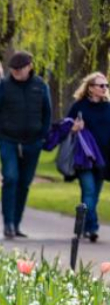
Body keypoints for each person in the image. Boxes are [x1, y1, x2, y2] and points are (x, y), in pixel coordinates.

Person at [0, 51, 52, 238]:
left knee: (24, 183)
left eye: (19, 69)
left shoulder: (40, 86)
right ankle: (8, 223)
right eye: (12, 69)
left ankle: (17, 222)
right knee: (11, 178)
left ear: (29, 66)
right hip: (8, 140)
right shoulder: (4, 86)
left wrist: (43, 136)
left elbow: (47, 113)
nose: (15, 72)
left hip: (33, 142)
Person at [66, 72, 110, 242]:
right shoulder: (79, 106)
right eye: (101, 85)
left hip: (103, 158)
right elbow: (66, 126)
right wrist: (74, 127)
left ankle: (83, 225)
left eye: (106, 85)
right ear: (91, 88)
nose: (104, 88)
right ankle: (92, 227)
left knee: (92, 194)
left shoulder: (108, 107)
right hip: (84, 157)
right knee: (89, 190)